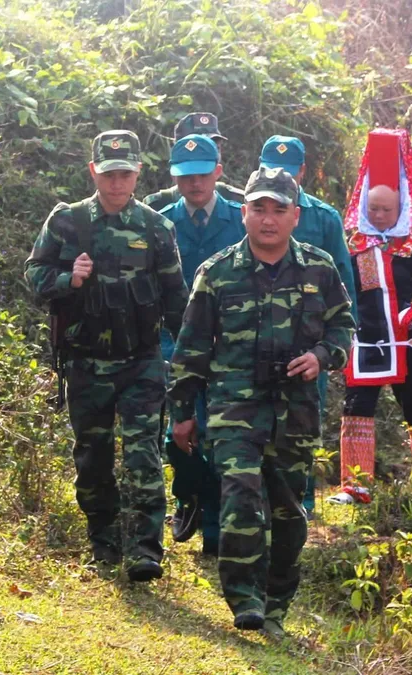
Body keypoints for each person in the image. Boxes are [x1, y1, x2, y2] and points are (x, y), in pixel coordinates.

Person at [168, 167, 354, 637]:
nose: (268, 220)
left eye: (278, 210)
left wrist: (321, 355)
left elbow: (344, 328)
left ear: (295, 216)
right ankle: (244, 598)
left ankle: (275, 605)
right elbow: (191, 348)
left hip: (295, 411)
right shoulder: (216, 273)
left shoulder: (319, 267)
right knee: (240, 498)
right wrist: (183, 415)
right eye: (258, 209)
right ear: (244, 212)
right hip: (234, 410)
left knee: (290, 511)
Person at [25, 130, 188, 582]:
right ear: (94, 171)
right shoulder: (68, 222)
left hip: (141, 360)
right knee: (92, 457)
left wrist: (194, 357)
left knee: (144, 455)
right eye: (110, 173)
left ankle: (144, 549)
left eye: (126, 174)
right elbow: (35, 274)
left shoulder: (157, 228)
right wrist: (67, 280)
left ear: (138, 173)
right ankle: (104, 540)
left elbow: (176, 296)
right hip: (86, 361)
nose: (118, 183)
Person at [331, 129, 412, 504]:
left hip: (406, 340)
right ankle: (356, 486)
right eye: (374, 209)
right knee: (357, 409)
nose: (379, 215)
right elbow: (340, 294)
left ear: (400, 211)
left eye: (387, 210)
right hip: (364, 343)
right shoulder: (352, 247)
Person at [257, 135, 357, 515]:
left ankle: (303, 500)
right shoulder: (251, 210)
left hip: (307, 341)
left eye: (286, 169)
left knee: (303, 417)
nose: (277, 175)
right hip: (261, 334)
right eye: (269, 167)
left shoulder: (323, 218)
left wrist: (342, 340)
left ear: (302, 171)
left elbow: (343, 281)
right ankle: (262, 497)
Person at [156, 134, 246, 555]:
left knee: (220, 437)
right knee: (176, 433)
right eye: (185, 176)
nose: (195, 184)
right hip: (172, 343)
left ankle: (214, 532)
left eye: (202, 174)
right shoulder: (158, 220)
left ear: (218, 172)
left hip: (230, 346)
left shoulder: (240, 218)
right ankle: (186, 495)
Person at [144, 112, 245, 211]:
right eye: (197, 147)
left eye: (215, 148)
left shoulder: (239, 202)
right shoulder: (157, 206)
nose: (208, 154)